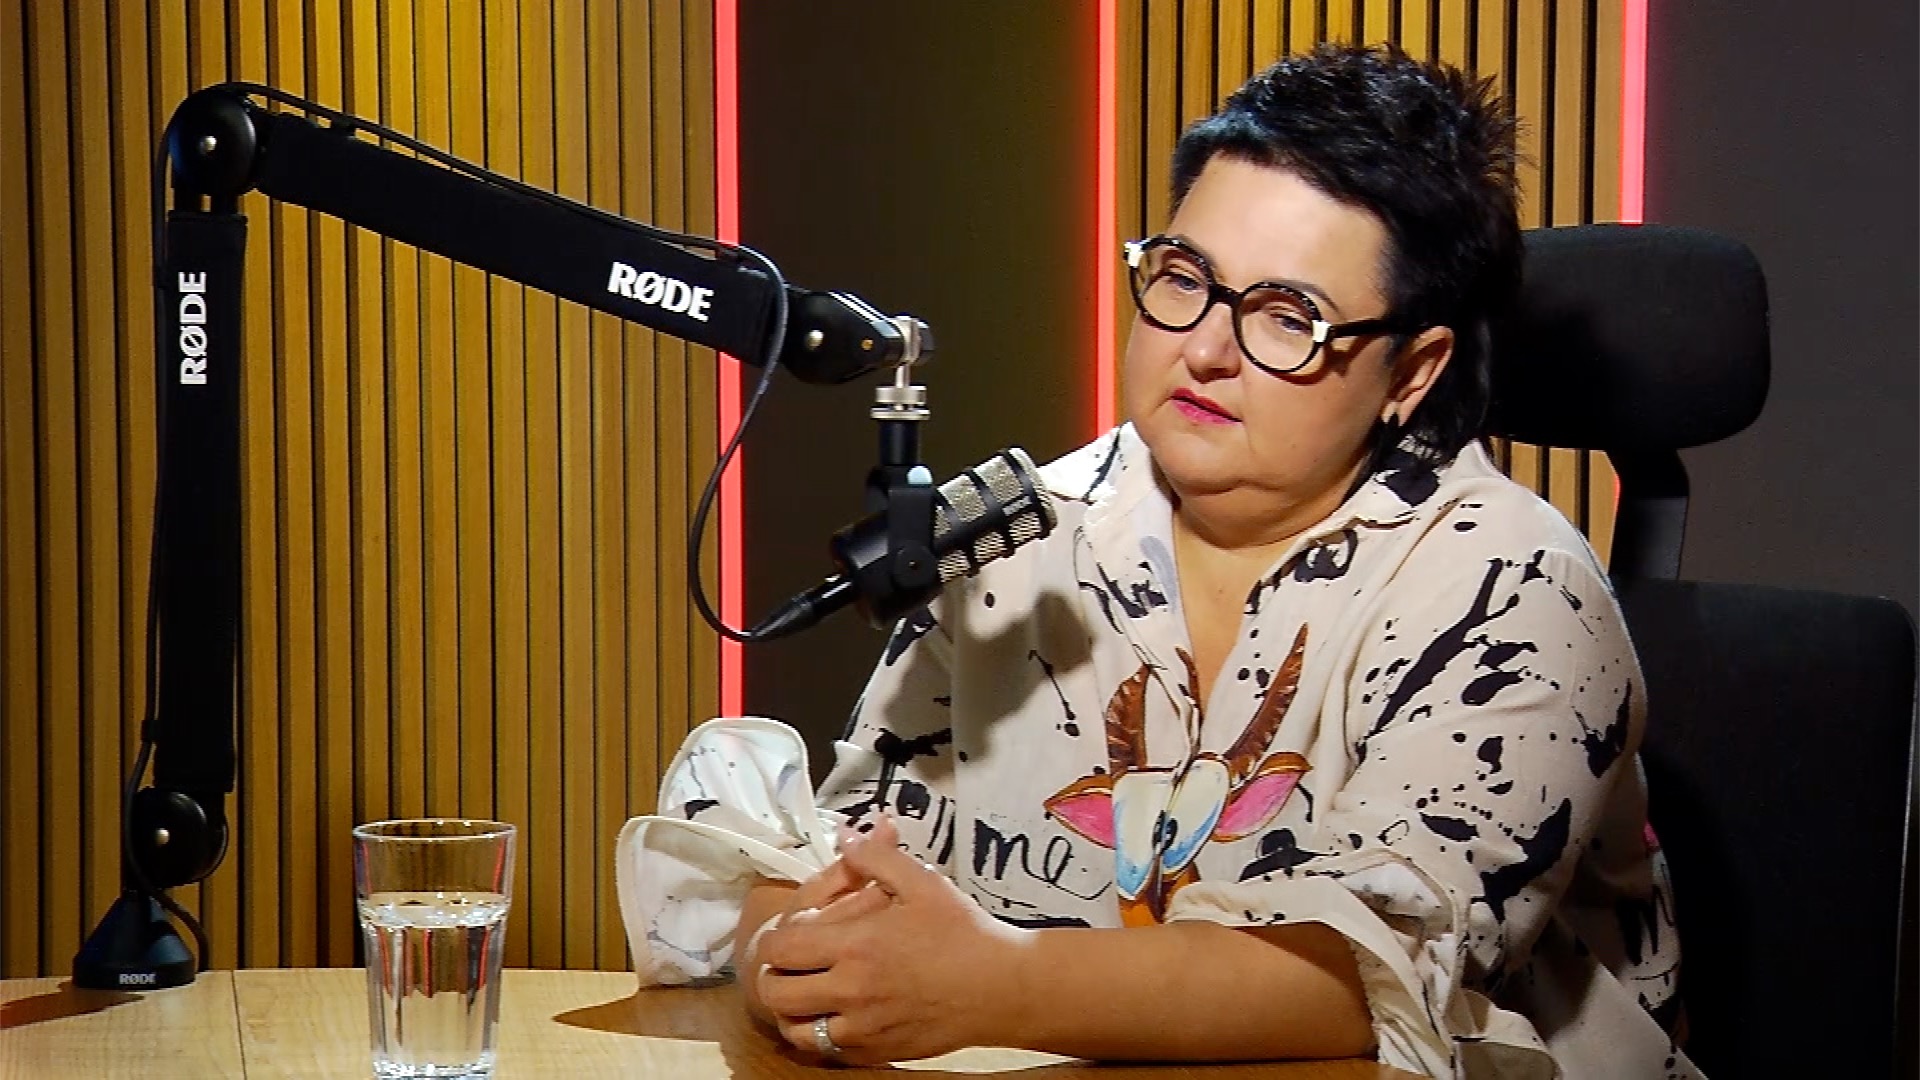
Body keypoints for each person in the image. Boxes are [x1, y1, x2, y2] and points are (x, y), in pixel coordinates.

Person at [731, 42, 1691, 1078]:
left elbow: (1366, 975)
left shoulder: (1516, 591)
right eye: (1184, 280)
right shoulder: (1020, 529)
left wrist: (995, 984)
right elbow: (842, 859)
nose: (1204, 350)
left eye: (1288, 318)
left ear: (1411, 372)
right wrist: (793, 953)